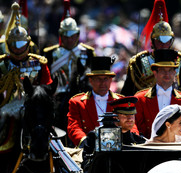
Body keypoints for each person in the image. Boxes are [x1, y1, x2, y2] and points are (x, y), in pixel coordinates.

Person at [120, 0, 181, 96]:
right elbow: (128, 93)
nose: (163, 44)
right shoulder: (138, 62)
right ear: (153, 42)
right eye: (159, 41)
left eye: (166, 41)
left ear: (171, 41)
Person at [43, 0, 95, 133]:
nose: (69, 39)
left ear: (78, 35)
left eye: (73, 36)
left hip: (82, 96)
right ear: (61, 36)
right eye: (66, 36)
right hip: (58, 97)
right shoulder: (50, 53)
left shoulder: (87, 52)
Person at [67, 56, 138, 147]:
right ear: (91, 80)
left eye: (106, 79)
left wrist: (133, 137)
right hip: (89, 149)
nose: (102, 83)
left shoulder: (120, 100)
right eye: (98, 79)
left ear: (111, 80)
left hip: (119, 148)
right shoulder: (77, 102)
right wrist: (85, 141)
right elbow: (73, 127)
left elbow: (131, 123)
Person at [0, 2, 52, 107]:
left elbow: (47, 88)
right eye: (14, 45)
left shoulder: (39, 63)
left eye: (21, 45)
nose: (18, 49)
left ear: (28, 44)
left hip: (33, 108)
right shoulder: (2, 63)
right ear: (8, 45)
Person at [134, 49, 181, 139]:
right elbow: (135, 128)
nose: (167, 74)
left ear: (174, 73)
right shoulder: (140, 99)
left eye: (170, 70)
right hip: (148, 149)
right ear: (155, 73)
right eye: (162, 70)